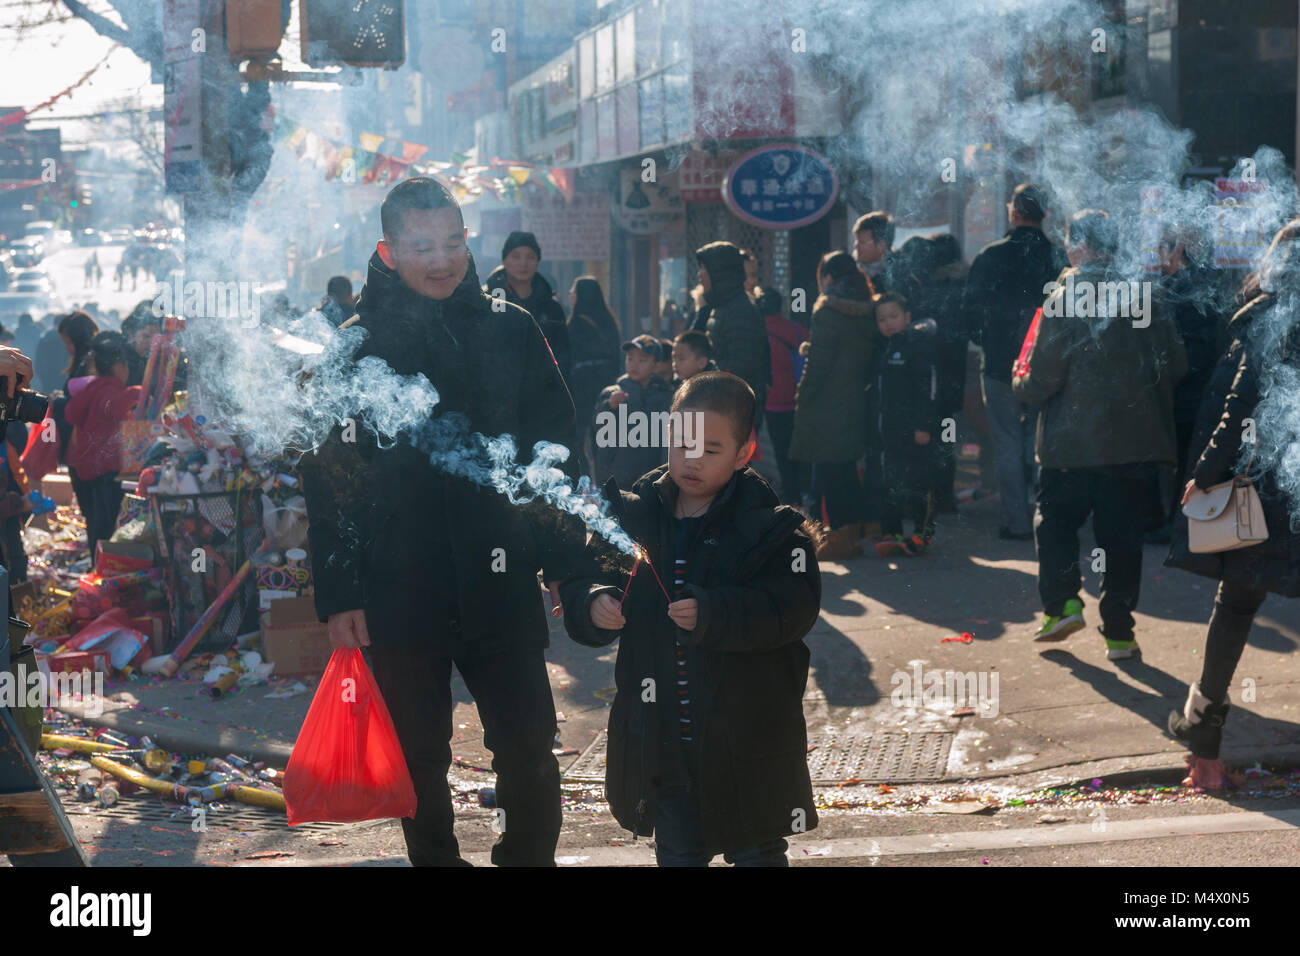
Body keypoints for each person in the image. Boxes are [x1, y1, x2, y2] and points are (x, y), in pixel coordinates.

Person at [298, 177, 583, 867]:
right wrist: (340, 595)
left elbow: (557, 450)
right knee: (419, 758)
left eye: (453, 242)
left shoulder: (511, 327)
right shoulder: (354, 347)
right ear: (388, 251)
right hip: (401, 587)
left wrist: (570, 568)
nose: (442, 260)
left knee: (528, 746)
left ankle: (528, 860)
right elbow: (329, 479)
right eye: (422, 245)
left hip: (501, 577)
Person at [559, 371, 822, 866]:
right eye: (681, 445)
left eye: (710, 450)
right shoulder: (637, 517)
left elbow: (791, 610)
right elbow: (584, 577)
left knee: (758, 852)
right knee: (679, 852)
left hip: (748, 745)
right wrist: (593, 602)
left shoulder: (774, 530)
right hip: (665, 744)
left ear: (745, 454)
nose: (690, 460)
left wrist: (715, 613)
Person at [1012, 209, 1186, 657]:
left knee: (1055, 525)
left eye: (1071, 242)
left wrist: (1019, 382)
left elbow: (1044, 377)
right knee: (1123, 539)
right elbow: (1177, 366)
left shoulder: (1064, 294)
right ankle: (1120, 632)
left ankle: (1063, 602)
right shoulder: (1146, 292)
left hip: (1069, 446)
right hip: (1133, 445)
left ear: (1082, 246)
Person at [1165, 219, 1300, 790]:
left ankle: (1206, 755)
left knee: (1237, 607)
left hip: (1268, 489)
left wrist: (1205, 475)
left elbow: (1239, 406)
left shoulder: (1267, 320)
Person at [963, 183, 1064, 541]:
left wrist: (987, 339)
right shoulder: (1059, 259)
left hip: (1000, 364)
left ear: (1013, 213)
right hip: (1047, 365)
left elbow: (970, 311)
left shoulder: (990, 256)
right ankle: (1048, 522)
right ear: (1046, 215)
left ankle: (1017, 522)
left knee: (1006, 441)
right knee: (1040, 441)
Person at [789, 252, 877, 559]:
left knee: (828, 471)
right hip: (854, 396)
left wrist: (803, 392)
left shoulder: (827, 309)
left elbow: (820, 362)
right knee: (846, 470)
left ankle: (837, 539)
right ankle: (850, 536)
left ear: (827, 277)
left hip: (826, 400)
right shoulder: (868, 307)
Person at [1145, 226, 1225, 542]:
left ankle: (1172, 526)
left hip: (1184, 394)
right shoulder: (1190, 285)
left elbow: (1192, 349)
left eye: (1162, 248)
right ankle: (1173, 524)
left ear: (1178, 252)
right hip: (1188, 392)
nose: (1157, 256)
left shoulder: (1185, 290)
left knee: (1179, 463)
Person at [872, 292, 940, 556]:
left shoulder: (918, 345)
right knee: (891, 481)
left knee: (919, 483)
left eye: (894, 316)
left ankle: (923, 534)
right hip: (888, 430)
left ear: (907, 317)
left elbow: (929, 388)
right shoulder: (882, 347)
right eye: (882, 319)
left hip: (915, 431)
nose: (888, 323)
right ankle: (892, 531)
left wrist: (924, 426)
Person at [64, 332, 142, 559]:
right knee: (109, 529)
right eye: (125, 365)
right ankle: (105, 577)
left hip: (88, 468)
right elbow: (113, 406)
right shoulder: (109, 392)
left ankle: (97, 571)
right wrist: (139, 392)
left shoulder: (91, 389)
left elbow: (70, 413)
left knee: (97, 526)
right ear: (118, 366)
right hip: (107, 469)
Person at [484, 231, 571, 383]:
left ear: (538, 261)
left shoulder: (551, 307)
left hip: (541, 390)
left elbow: (563, 355)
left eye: (530, 257)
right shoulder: (489, 300)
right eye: (516, 256)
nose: (523, 263)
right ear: (504, 260)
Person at [925, 234, 972, 513]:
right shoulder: (964, 285)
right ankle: (946, 496)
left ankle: (928, 495)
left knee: (926, 435)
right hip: (954, 373)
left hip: (928, 373)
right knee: (947, 435)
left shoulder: (929, 287)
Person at [692, 242, 770, 406]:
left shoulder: (740, 312)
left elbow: (740, 371)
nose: (699, 275)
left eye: (703, 269)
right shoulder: (720, 307)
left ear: (718, 274)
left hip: (732, 410)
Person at [592, 334, 674, 488]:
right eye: (630, 358)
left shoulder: (665, 395)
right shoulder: (613, 392)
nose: (634, 365)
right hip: (619, 474)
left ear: (655, 365)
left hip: (653, 472)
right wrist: (610, 407)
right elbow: (598, 429)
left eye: (642, 360)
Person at [566, 276, 622, 476]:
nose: (571, 296)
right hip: (606, 387)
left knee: (582, 437)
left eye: (573, 291)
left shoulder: (577, 324)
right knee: (603, 435)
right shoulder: (609, 321)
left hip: (581, 390)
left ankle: (587, 479)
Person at [760, 287, 808, 507]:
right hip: (800, 399)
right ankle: (804, 491)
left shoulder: (757, 332)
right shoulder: (798, 330)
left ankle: (792, 496)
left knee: (781, 451)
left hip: (772, 403)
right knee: (800, 447)